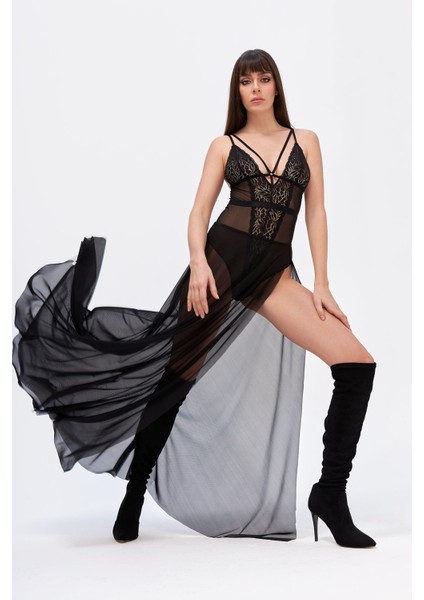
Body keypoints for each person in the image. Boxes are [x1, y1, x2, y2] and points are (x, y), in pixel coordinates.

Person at [12, 49, 377, 549]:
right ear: (237, 91)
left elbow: (316, 212)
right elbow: (199, 212)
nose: (255, 88)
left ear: (276, 85)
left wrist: (323, 283)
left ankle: (330, 494)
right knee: (175, 379)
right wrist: (199, 263)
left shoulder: (306, 141)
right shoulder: (224, 146)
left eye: (263, 78)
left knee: (356, 365)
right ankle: (134, 493)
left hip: (271, 274)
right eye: (245, 81)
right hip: (220, 266)